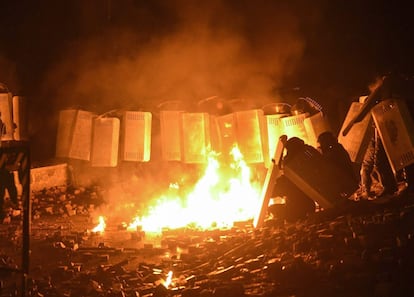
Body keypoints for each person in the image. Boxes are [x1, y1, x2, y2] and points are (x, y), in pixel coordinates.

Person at [272, 137, 317, 221]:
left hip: (296, 211)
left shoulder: (290, 178)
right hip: (309, 207)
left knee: (272, 209)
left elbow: (274, 191)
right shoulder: (306, 168)